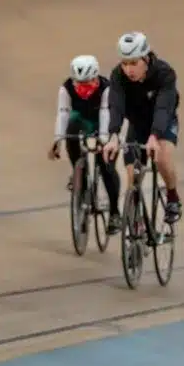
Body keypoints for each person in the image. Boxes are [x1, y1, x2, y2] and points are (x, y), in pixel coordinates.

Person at [102, 32, 182, 223]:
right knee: (132, 176)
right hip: (138, 124)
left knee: (161, 158)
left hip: (163, 122)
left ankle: (172, 197)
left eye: (134, 63)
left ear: (146, 58)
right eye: (124, 63)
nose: (128, 69)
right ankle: (137, 222)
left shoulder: (164, 73)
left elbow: (163, 107)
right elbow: (116, 105)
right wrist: (113, 134)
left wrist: (155, 135)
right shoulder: (118, 76)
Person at [48, 55, 122, 233]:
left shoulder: (106, 89)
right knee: (71, 127)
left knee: (106, 165)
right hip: (82, 120)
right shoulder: (66, 89)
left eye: (87, 84)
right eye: (78, 84)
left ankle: (114, 212)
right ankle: (78, 171)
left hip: (104, 121)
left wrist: (104, 142)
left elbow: (106, 114)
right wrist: (57, 140)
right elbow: (63, 113)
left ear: (96, 78)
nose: (83, 88)